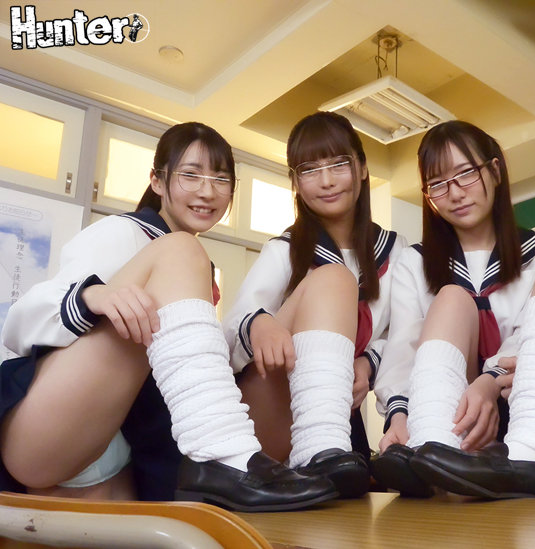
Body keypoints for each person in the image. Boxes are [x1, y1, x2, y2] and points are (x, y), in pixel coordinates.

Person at [0, 122, 336, 511]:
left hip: (123, 443)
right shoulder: (127, 233)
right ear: (157, 181)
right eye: (191, 175)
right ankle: (222, 457)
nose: (207, 191)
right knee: (181, 249)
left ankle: (315, 452)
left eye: (221, 179)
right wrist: (92, 294)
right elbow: (20, 323)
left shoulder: (191, 264)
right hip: (49, 428)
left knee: (326, 279)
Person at [371, 120, 535, 498]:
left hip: (518, 402)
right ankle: (430, 446)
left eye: (465, 174)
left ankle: (517, 458)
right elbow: (403, 348)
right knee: (451, 299)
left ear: (495, 171)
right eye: (438, 184)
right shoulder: (413, 263)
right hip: (445, 412)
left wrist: (489, 382)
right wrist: (399, 415)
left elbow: (532, 336)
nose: (455, 193)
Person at [224, 112, 406, 499]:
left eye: (338, 164)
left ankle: (322, 448)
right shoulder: (284, 250)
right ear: (295, 182)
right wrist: (260, 324)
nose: (326, 181)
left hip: (340, 422)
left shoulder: (398, 252)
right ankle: (312, 450)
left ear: (362, 168)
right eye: (309, 170)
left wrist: (367, 364)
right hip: (266, 416)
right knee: (334, 278)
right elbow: (232, 330)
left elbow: (404, 336)